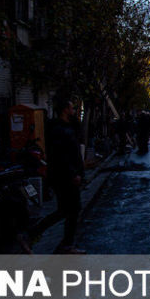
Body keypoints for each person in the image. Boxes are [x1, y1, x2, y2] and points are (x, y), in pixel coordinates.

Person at [29, 95, 85, 254]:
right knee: (70, 209)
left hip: (67, 175)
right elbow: (62, 155)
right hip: (65, 176)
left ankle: (65, 243)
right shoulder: (58, 129)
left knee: (68, 210)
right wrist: (73, 173)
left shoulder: (67, 127)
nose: (74, 110)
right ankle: (34, 234)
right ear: (65, 110)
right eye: (72, 108)